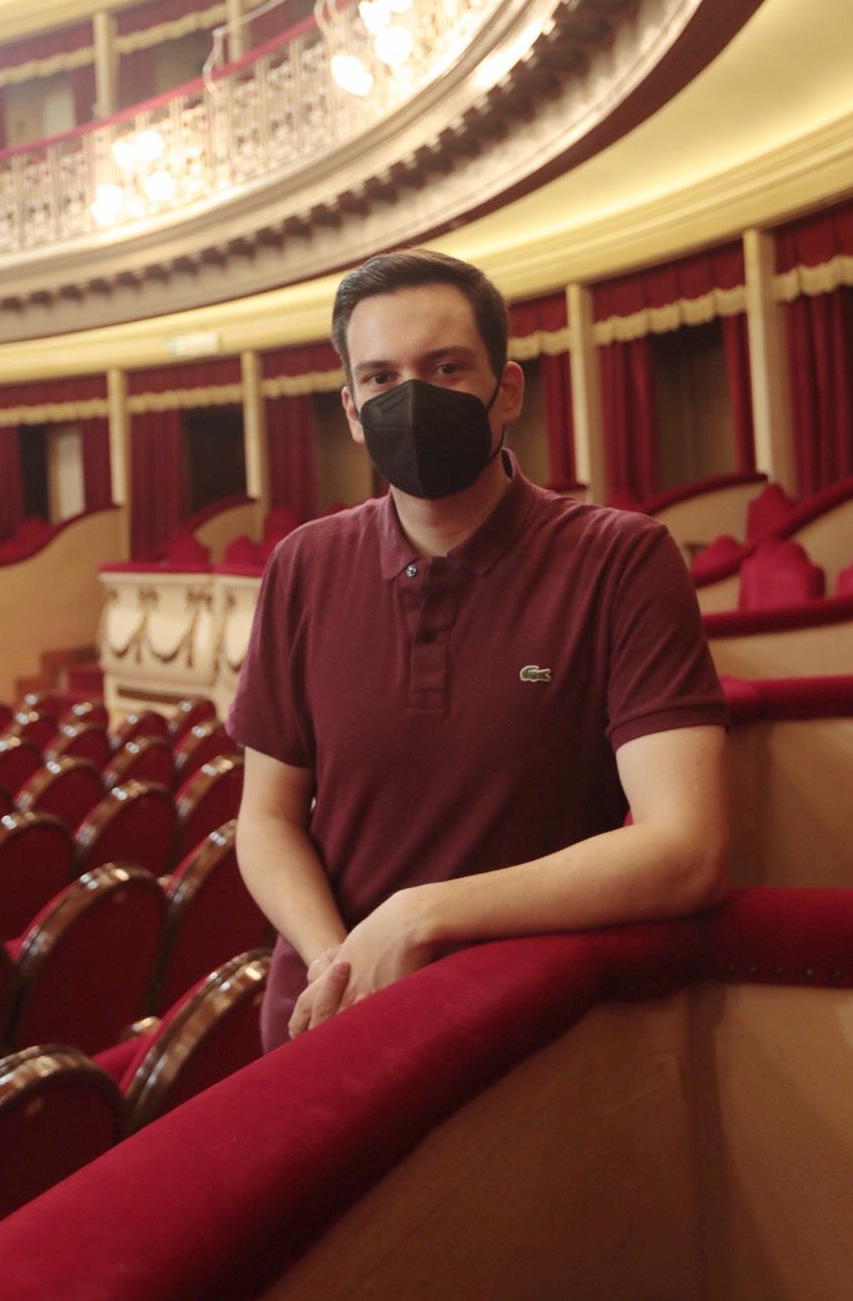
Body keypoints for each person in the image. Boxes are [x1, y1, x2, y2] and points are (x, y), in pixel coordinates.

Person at [229, 248, 729, 1052]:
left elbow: (685, 851)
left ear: (508, 391)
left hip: (517, 1030)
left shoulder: (623, 559)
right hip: (322, 1020)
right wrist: (337, 961)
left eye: (446, 366)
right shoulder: (303, 563)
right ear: (353, 410)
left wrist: (421, 913)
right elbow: (267, 817)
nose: (412, 398)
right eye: (382, 378)